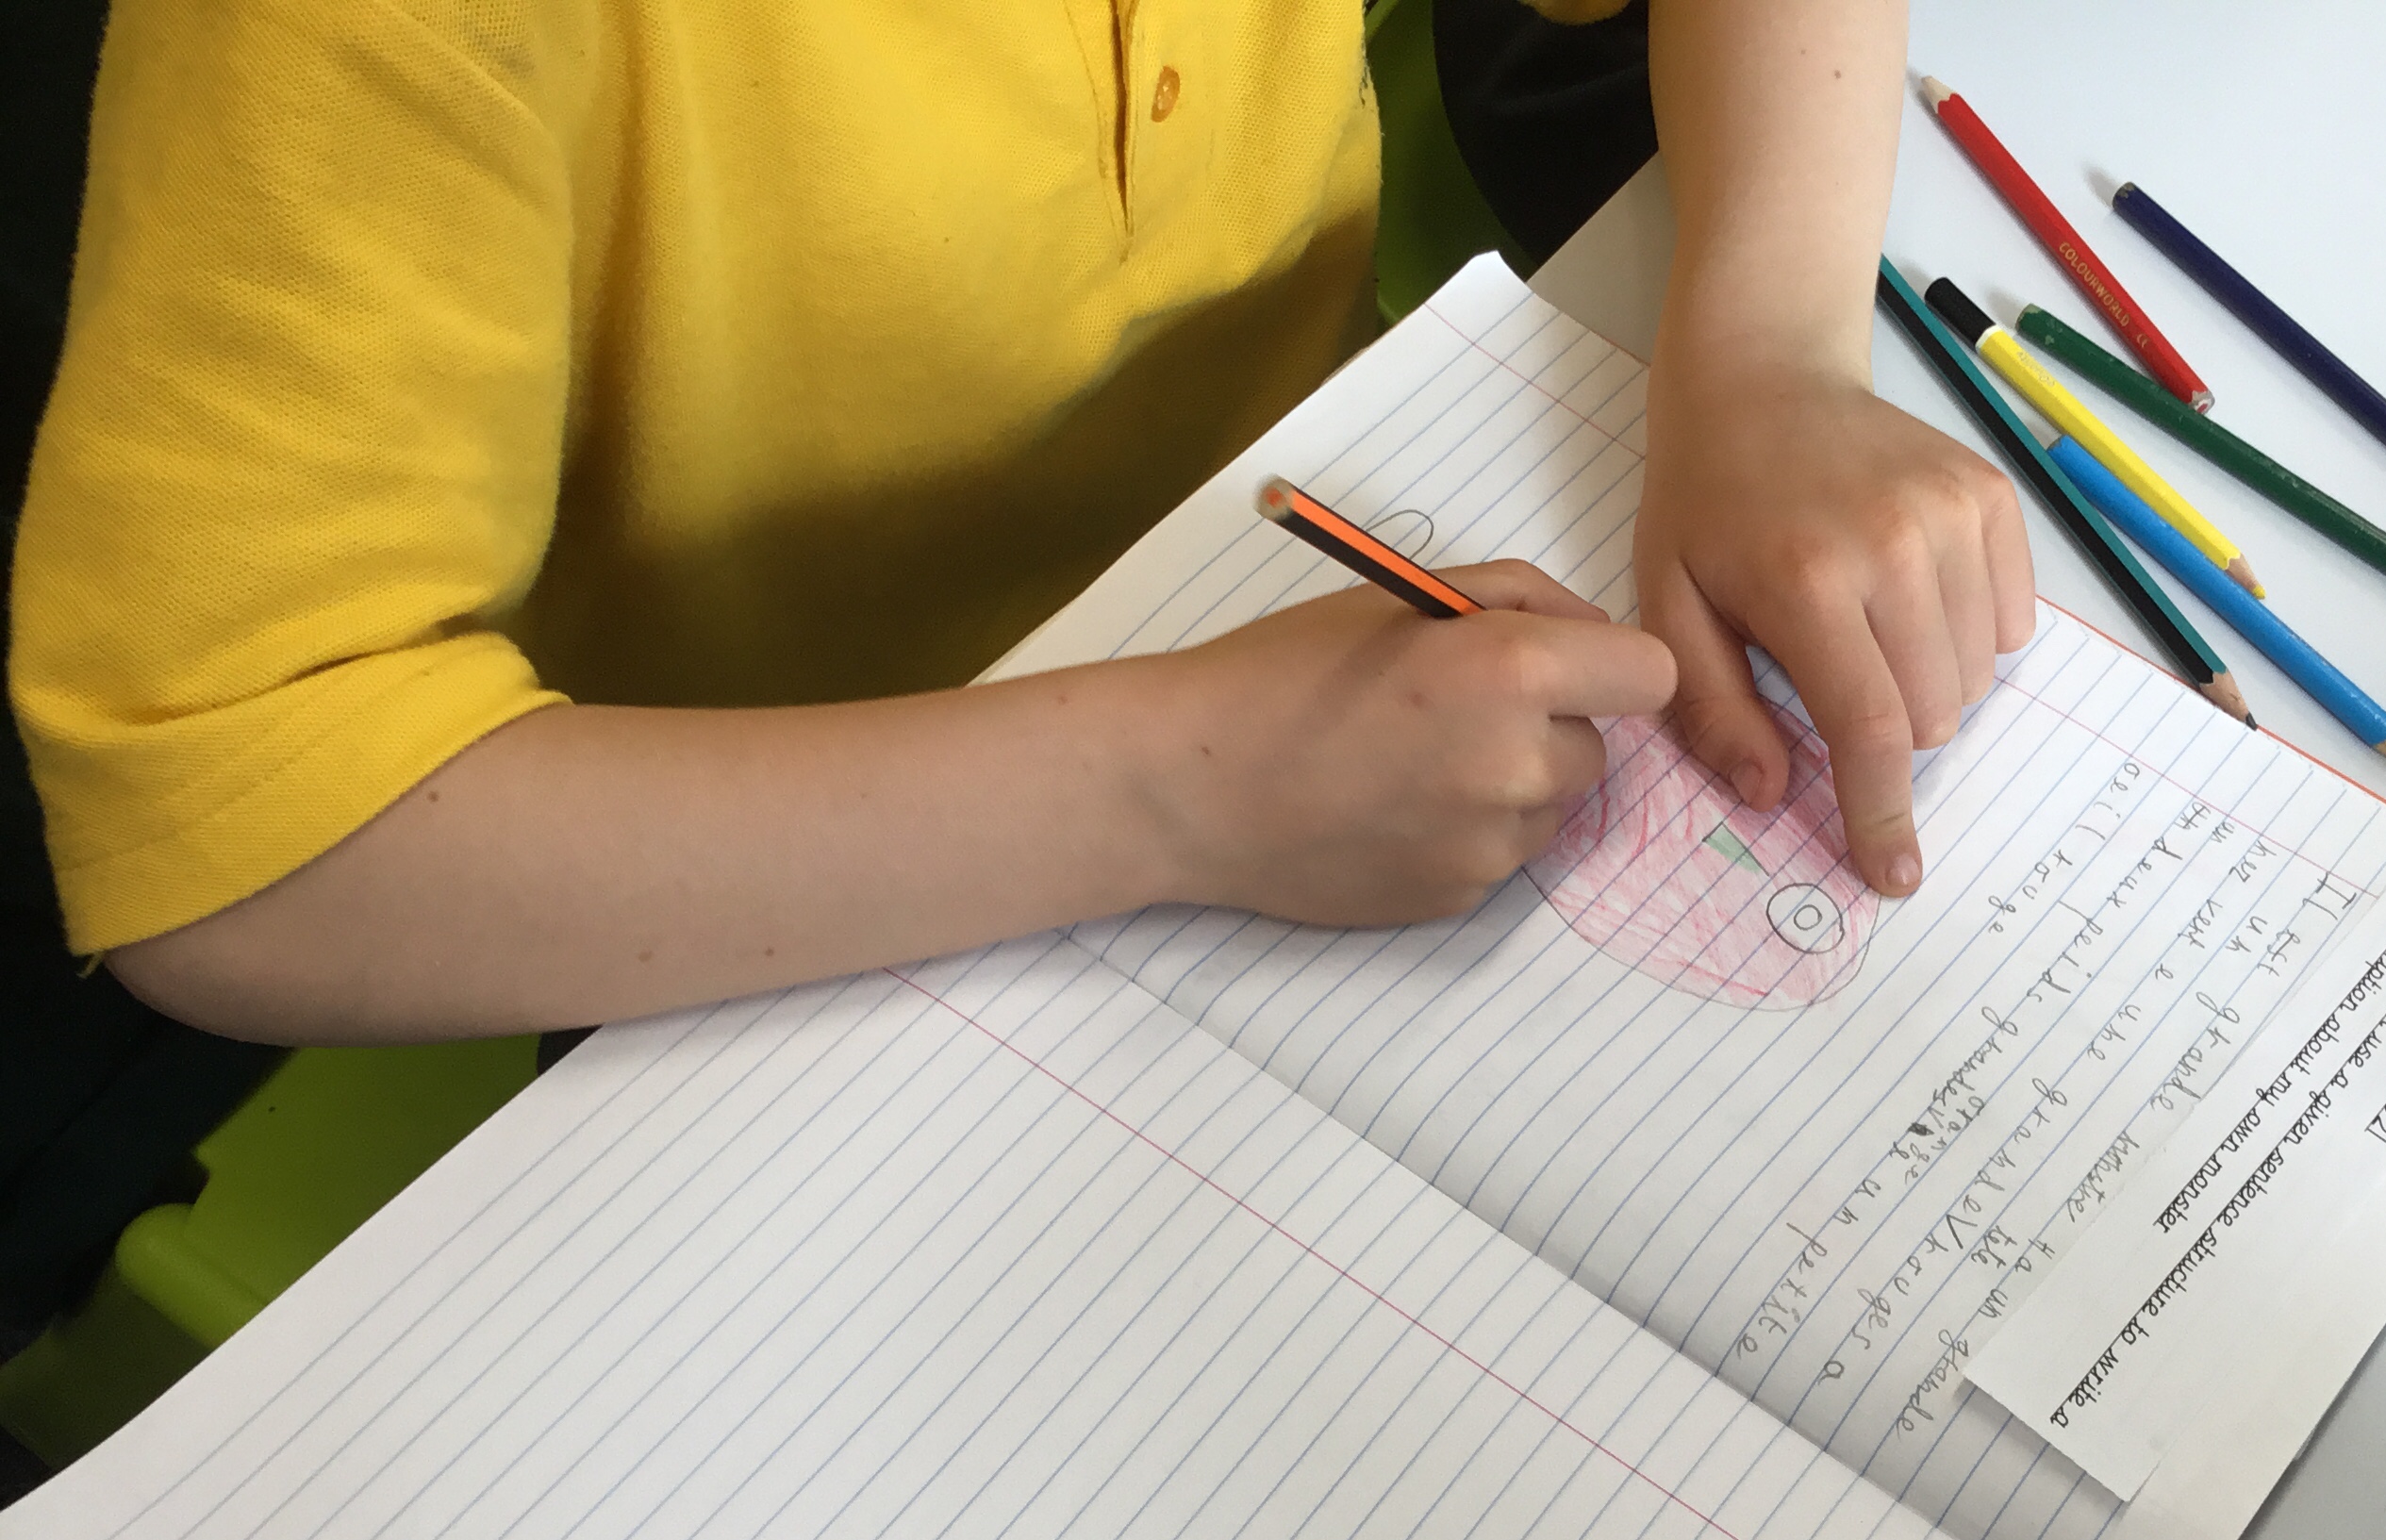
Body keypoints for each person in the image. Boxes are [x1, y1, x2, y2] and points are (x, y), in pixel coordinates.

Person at [10, 0, 2031, 1048]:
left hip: (1316, 616)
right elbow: (234, 854)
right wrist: (1179, 790)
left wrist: (1768, 347)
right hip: (775, 887)